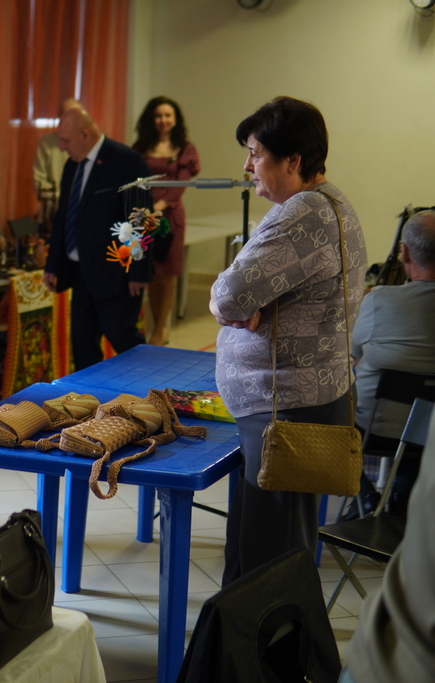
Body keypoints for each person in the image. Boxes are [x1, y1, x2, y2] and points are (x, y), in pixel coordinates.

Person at [210, 96, 367, 586]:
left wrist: (223, 302)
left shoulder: (303, 213)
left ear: (292, 161)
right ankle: (245, 633)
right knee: (264, 545)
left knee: (268, 560)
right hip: (303, 399)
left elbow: (231, 295)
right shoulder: (330, 202)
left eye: (256, 154)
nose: (247, 166)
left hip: (285, 408)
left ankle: (268, 637)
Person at [42, 107, 151, 370]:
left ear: (85, 134)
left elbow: (141, 219)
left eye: (66, 140)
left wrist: (139, 269)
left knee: (123, 338)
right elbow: (63, 216)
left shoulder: (126, 160)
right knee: (83, 345)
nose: (62, 147)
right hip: (80, 272)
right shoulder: (72, 165)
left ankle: (149, 386)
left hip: (115, 271)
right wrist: (53, 264)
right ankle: (87, 395)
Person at [345, 209, 435, 516]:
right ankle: (401, 499)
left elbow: (353, 352)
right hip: (430, 436)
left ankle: (364, 495)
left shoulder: (379, 301)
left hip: (373, 430)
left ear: (405, 253)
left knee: (326, 411)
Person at [341, 409, 435, 683]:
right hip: (395, 650)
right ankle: (381, 500)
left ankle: (366, 495)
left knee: (341, 427)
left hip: (388, 645)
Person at [132, 96, 201, 346]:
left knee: (167, 274)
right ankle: (154, 326)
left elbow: (180, 184)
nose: (163, 120)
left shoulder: (185, 148)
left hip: (170, 218)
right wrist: (143, 210)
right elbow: (131, 176)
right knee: (150, 272)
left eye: (168, 115)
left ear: (175, 119)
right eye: (159, 115)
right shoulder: (141, 147)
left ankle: (161, 329)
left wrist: (157, 208)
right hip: (142, 216)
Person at [32, 98, 84, 202]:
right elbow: (39, 180)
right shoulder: (47, 143)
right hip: (54, 205)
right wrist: (60, 200)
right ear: (60, 117)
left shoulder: (90, 143)